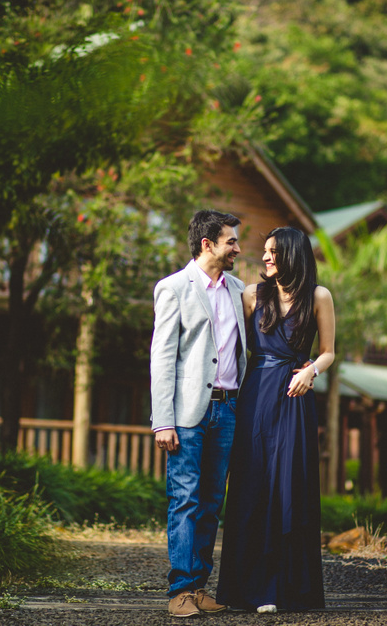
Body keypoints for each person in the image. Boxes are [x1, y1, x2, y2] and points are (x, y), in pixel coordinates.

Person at [216, 226, 336, 613]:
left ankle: (286, 591)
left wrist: (311, 371)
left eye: (273, 252)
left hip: (294, 397)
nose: (265, 257)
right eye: (265, 251)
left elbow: (329, 351)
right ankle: (246, 590)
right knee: (252, 488)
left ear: (292, 254)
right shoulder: (251, 294)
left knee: (289, 489)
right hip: (255, 396)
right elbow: (230, 346)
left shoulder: (319, 296)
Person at [150, 209, 247, 618]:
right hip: (188, 413)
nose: (238, 249)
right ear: (207, 243)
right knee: (184, 499)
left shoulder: (240, 290)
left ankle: (200, 587)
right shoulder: (174, 288)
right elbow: (163, 357)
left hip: (229, 409)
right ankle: (181, 591)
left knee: (211, 502)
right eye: (231, 242)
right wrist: (163, 421)